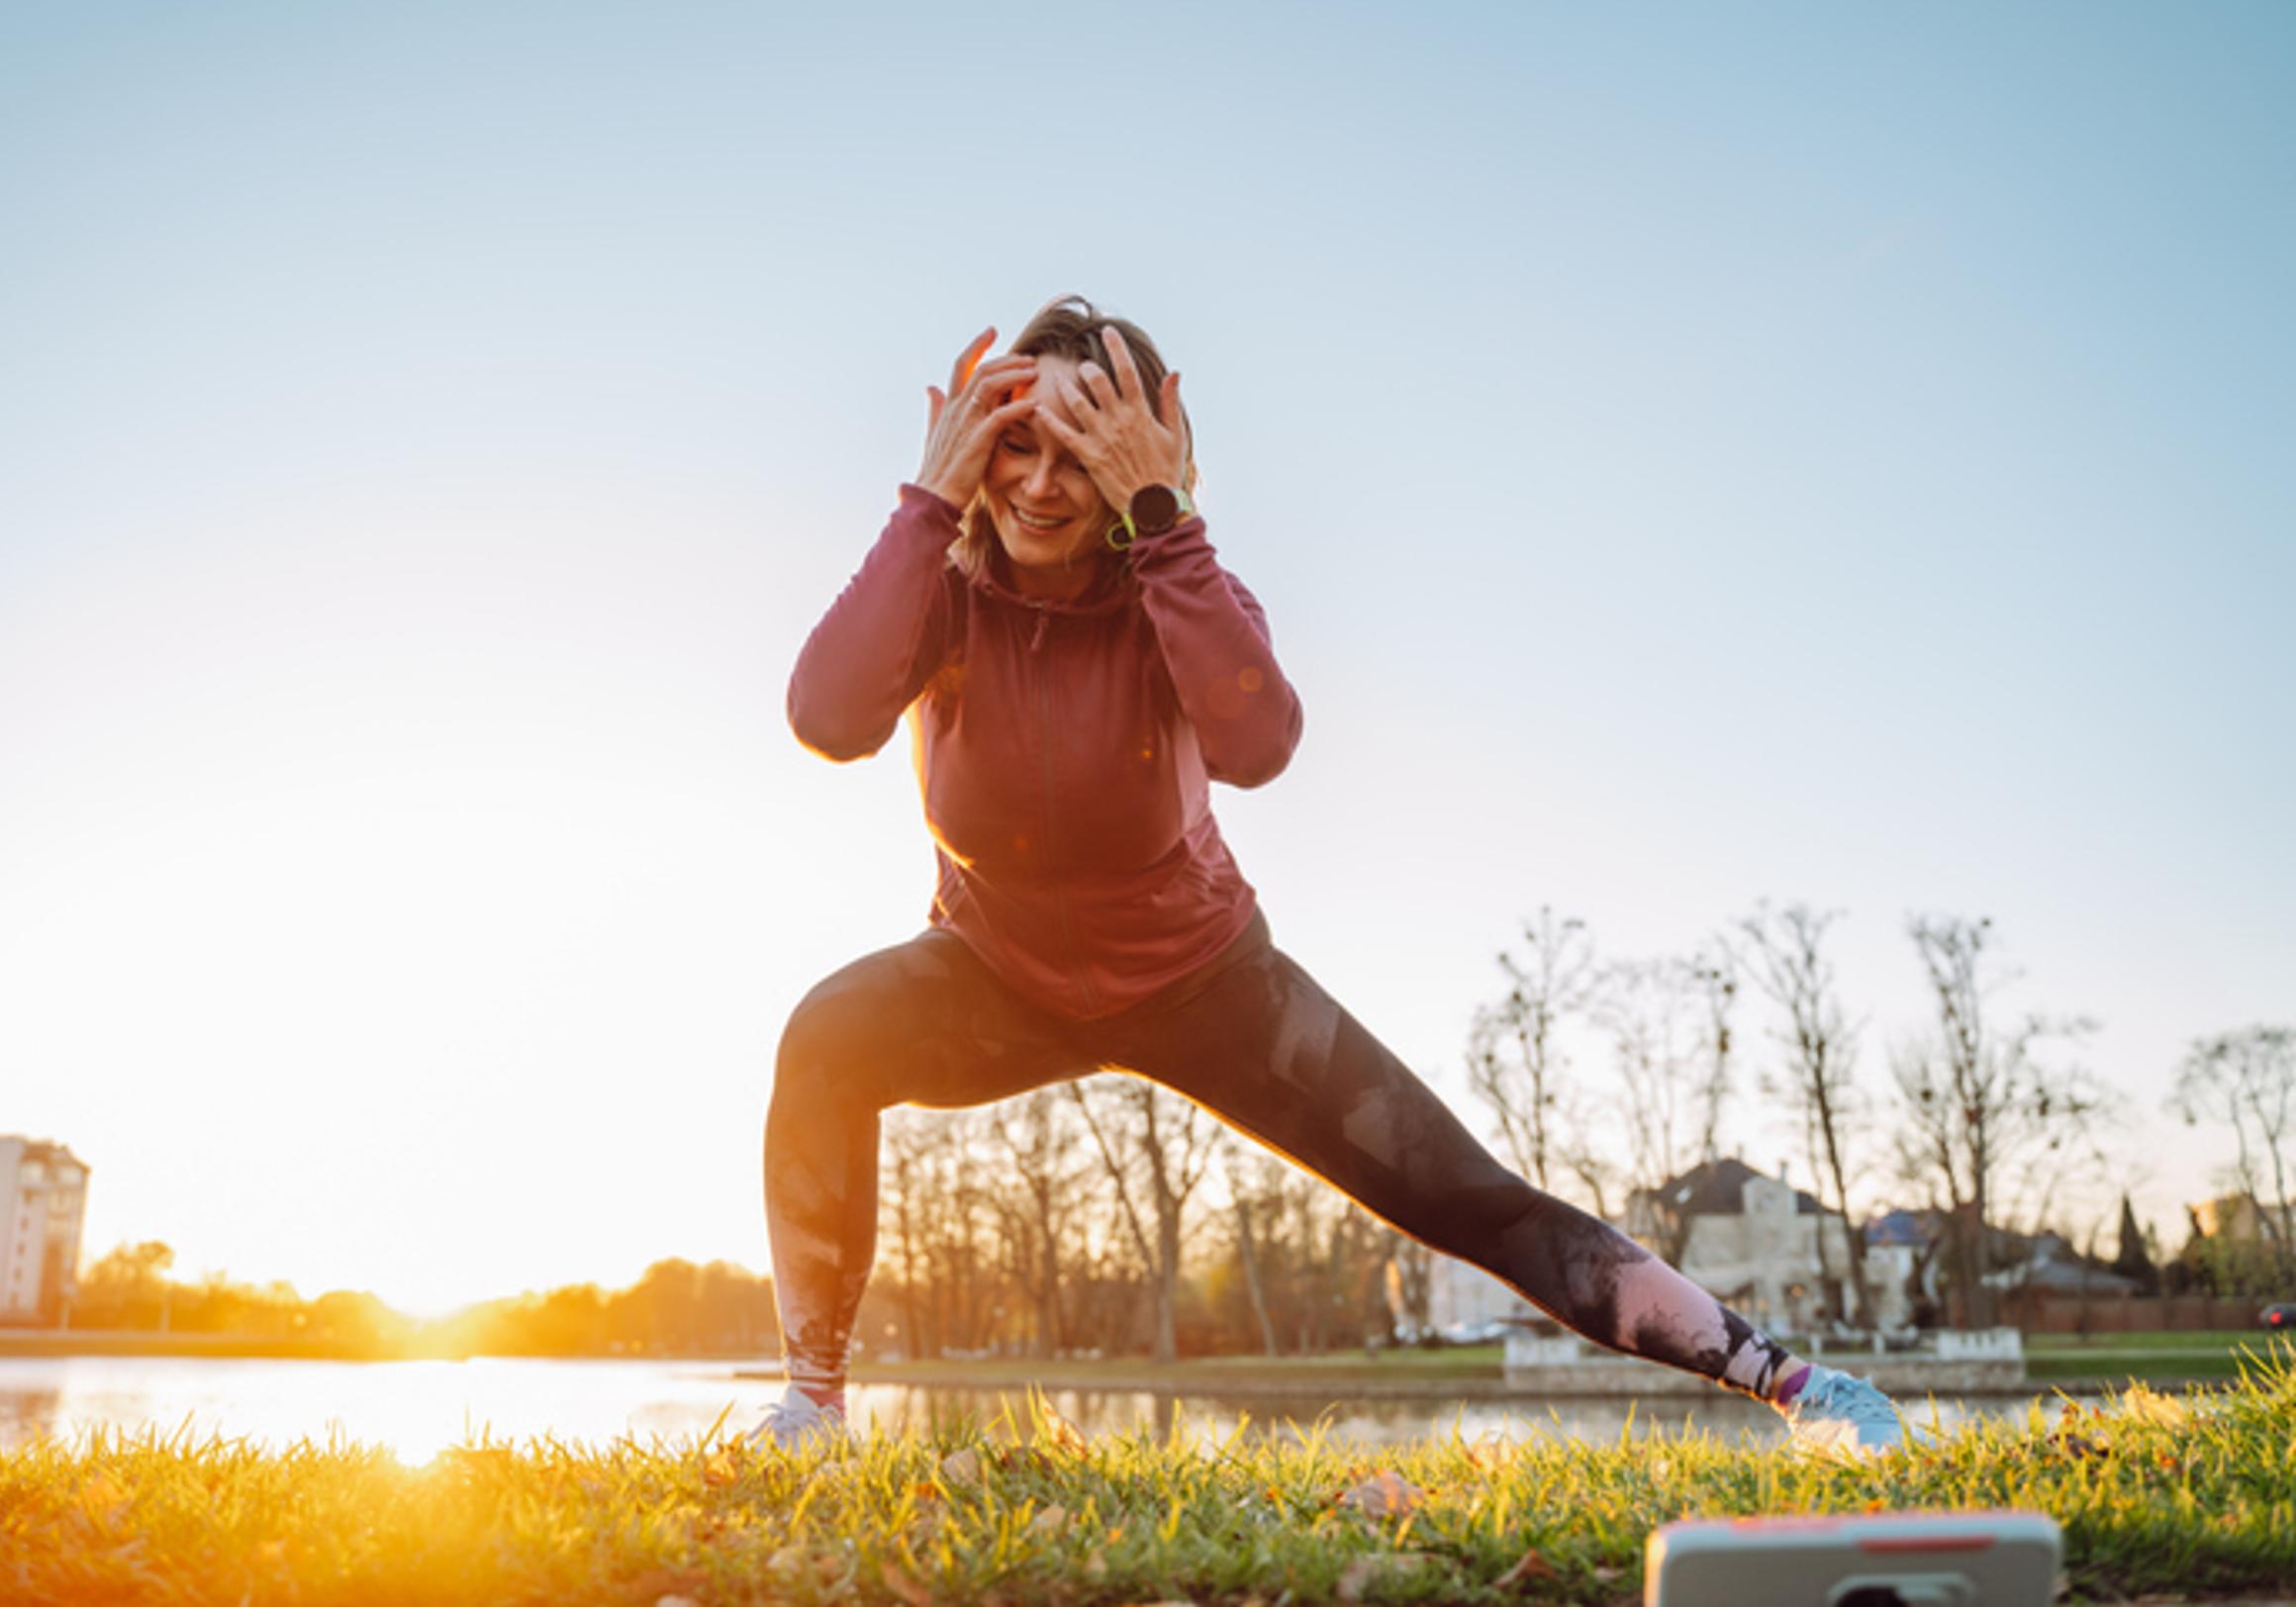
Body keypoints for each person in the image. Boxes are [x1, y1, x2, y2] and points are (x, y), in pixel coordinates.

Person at [760, 295, 1904, 1453]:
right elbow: (825, 716)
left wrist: (1167, 520)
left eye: (1085, 450)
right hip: (993, 976)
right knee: (825, 1039)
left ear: (1137, 465)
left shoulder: (1173, 576)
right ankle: (811, 1404)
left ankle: (1808, 1390)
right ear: (970, 441)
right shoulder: (941, 591)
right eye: (1017, 441)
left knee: (1470, 1196)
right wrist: (922, 509)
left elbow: (1260, 746)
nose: (1044, 484)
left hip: (1206, 983)